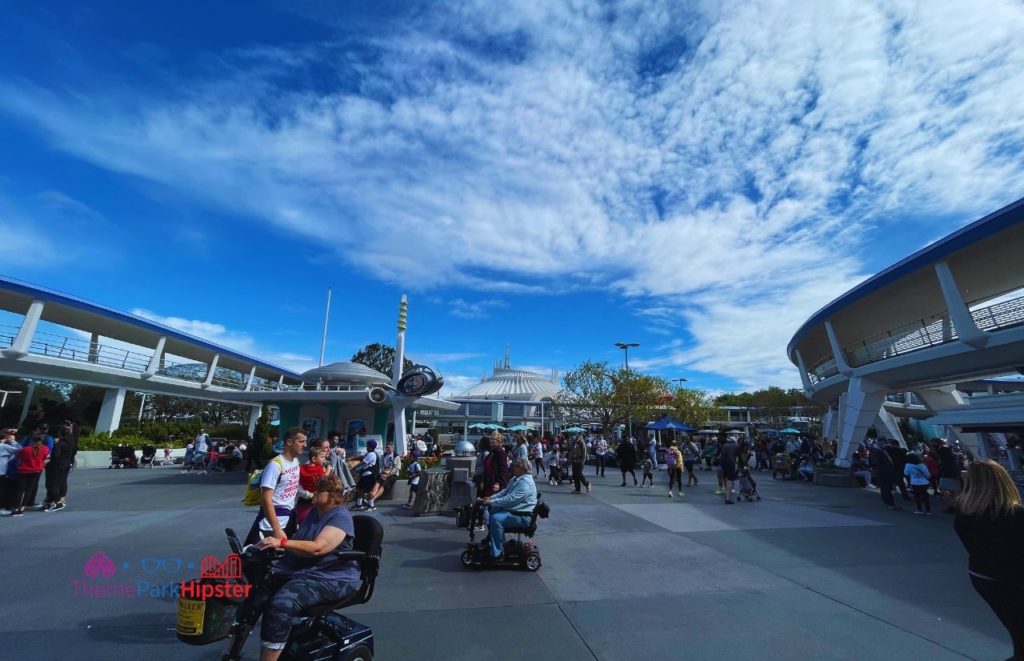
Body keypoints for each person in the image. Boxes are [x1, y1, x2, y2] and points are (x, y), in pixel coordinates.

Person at [255, 475, 361, 661]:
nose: (315, 493)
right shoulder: (314, 513)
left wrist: (283, 542)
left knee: (281, 605)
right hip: (307, 571)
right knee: (257, 589)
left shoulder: (340, 517)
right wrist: (277, 546)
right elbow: (300, 541)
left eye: (320, 490)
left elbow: (318, 548)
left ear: (333, 495)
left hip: (332, 577)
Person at [953, 460, 1024, 660]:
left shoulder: (964, 513)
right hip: (1011, 581)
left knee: (1018, 631)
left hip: (983, 577)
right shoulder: (1014, 515)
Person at [244, 427, 304, 545]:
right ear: (289, 442)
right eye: (301, 441)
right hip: (270, 524)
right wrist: (276, 529)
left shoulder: (296, 462)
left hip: (289, 520)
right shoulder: (274, 466)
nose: (304, 445)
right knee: (252, 559)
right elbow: (266, 499)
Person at [477, 458, 537, 561]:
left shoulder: (525, 483)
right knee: (492, 511)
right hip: (517, 511)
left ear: (523, 469)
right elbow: (504, 492)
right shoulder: (517, 479)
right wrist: (491, 497)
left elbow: (511, 499)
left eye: (517, 466)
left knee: (496, 519)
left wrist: (492, 502)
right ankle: (493, 541)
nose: (513, 467)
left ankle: (498, 553)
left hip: (523, 516)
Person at [11, 433, 49, 516]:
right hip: (36, 471)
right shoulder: (45, 449)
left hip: (24, 471)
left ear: (32, 441)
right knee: (29, 489)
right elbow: (45, 457)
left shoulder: (26, 449)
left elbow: (18, 456)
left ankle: (16, 507)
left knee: (20, 490)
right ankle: (23, 507)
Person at [42, 425, 76, 511]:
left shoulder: (60, 443)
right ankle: (60, 499)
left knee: (52, 484)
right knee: (62, 482)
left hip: (56, 465)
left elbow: (55, 455)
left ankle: (56, 502)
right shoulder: (71, 442)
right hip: (66, 464)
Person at [294, 446, 327, 526]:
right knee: (313, 517)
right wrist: (328, 471)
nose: (324, 459)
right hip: (315, 495)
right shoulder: (318, 469)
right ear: (314, 459)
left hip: (303, 496)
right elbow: (323, 480)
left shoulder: (301, 468)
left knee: (301, 513)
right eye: (322, 457)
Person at [868, 441, 900, 510]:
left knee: (887, 488)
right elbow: (875, 463)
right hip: (884, 473)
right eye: (884, 443)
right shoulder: (876, 451)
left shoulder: (882, 450)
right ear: (880, 443)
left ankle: (890, 503)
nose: (885, 445)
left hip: (887, 472)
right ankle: (890, 504)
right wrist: (880, 471)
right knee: (885, 488)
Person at [352, 440, 380, 512]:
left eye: (367, 446)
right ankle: (359, 505)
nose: (366, 447)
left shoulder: (372, 454)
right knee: (360, 489)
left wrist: (353, 468)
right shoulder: (368, 453)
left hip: (369, 475)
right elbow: (361, 457)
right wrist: (352, 458)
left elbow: (362, 463)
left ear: (371, 447)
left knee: (369, 491)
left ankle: (372, 506)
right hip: (364, 475)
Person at [0, 429, 21, 515]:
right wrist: (13, 441)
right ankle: (1, 508)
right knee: (2, 491)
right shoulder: (3, 446)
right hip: (2, 472)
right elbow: (19, 449)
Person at [718, 435, 740, 504]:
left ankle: (727, 495)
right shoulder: (736, 446)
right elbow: (739, 457)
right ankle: (728, 498)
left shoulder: (725, 446)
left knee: (726, 479)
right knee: (729, 481)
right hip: (731, 464)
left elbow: (721, 456)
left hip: (723, 464)